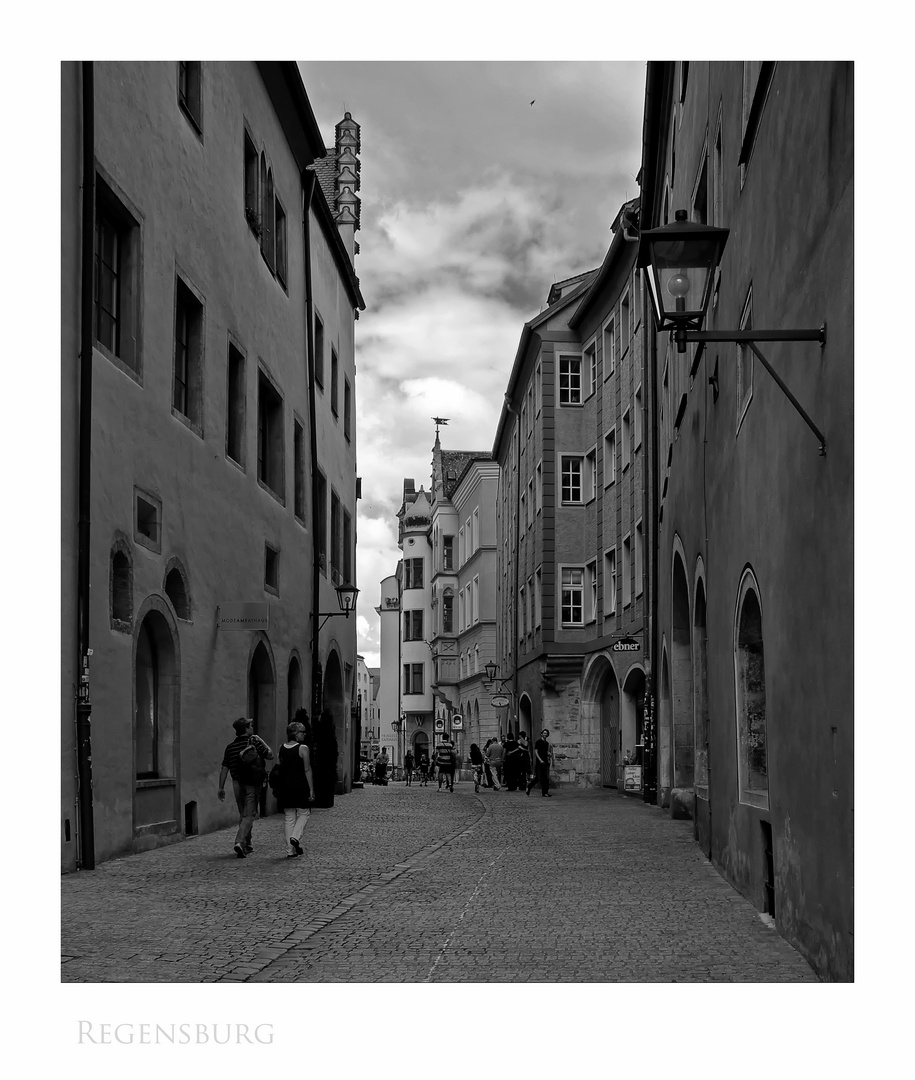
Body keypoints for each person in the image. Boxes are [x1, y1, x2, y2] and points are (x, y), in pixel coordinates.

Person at [218, 717, 273, 858]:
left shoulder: (230, 747)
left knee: (244, 814)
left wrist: (221, 787)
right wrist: (260, 739)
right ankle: (239, 842)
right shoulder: (254, 744)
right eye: (251, 726)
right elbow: (270, 755)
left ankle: (248, 845)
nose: (253, 728)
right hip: (252, 784)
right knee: (250, 815)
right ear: (246, 729)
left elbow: (224, 768)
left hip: (237, 783)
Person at [274, 722, 314, 857]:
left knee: (289, 817)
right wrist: (311, 789)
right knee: (304, 813)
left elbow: (280, 766)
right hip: (300, 785)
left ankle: (289, 850)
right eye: (302, 731)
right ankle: (295, 837)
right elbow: (307, 769)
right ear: (295, 733)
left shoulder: (281, 748)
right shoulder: (303, 748)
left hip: (285, 786)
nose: (304, 734)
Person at [528, 728, 553, 797]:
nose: (545, 734)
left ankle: (545, 792)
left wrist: (548, 754)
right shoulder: (538, 742)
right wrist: (540, 759)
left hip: (545, 762)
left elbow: (545, 751)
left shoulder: (547, 743)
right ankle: (529, 787)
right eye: (544, 733)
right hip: (539, 762)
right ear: (541, 734)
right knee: (538, 777)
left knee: (545, 778)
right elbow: (536, 751)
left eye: (546, 734)